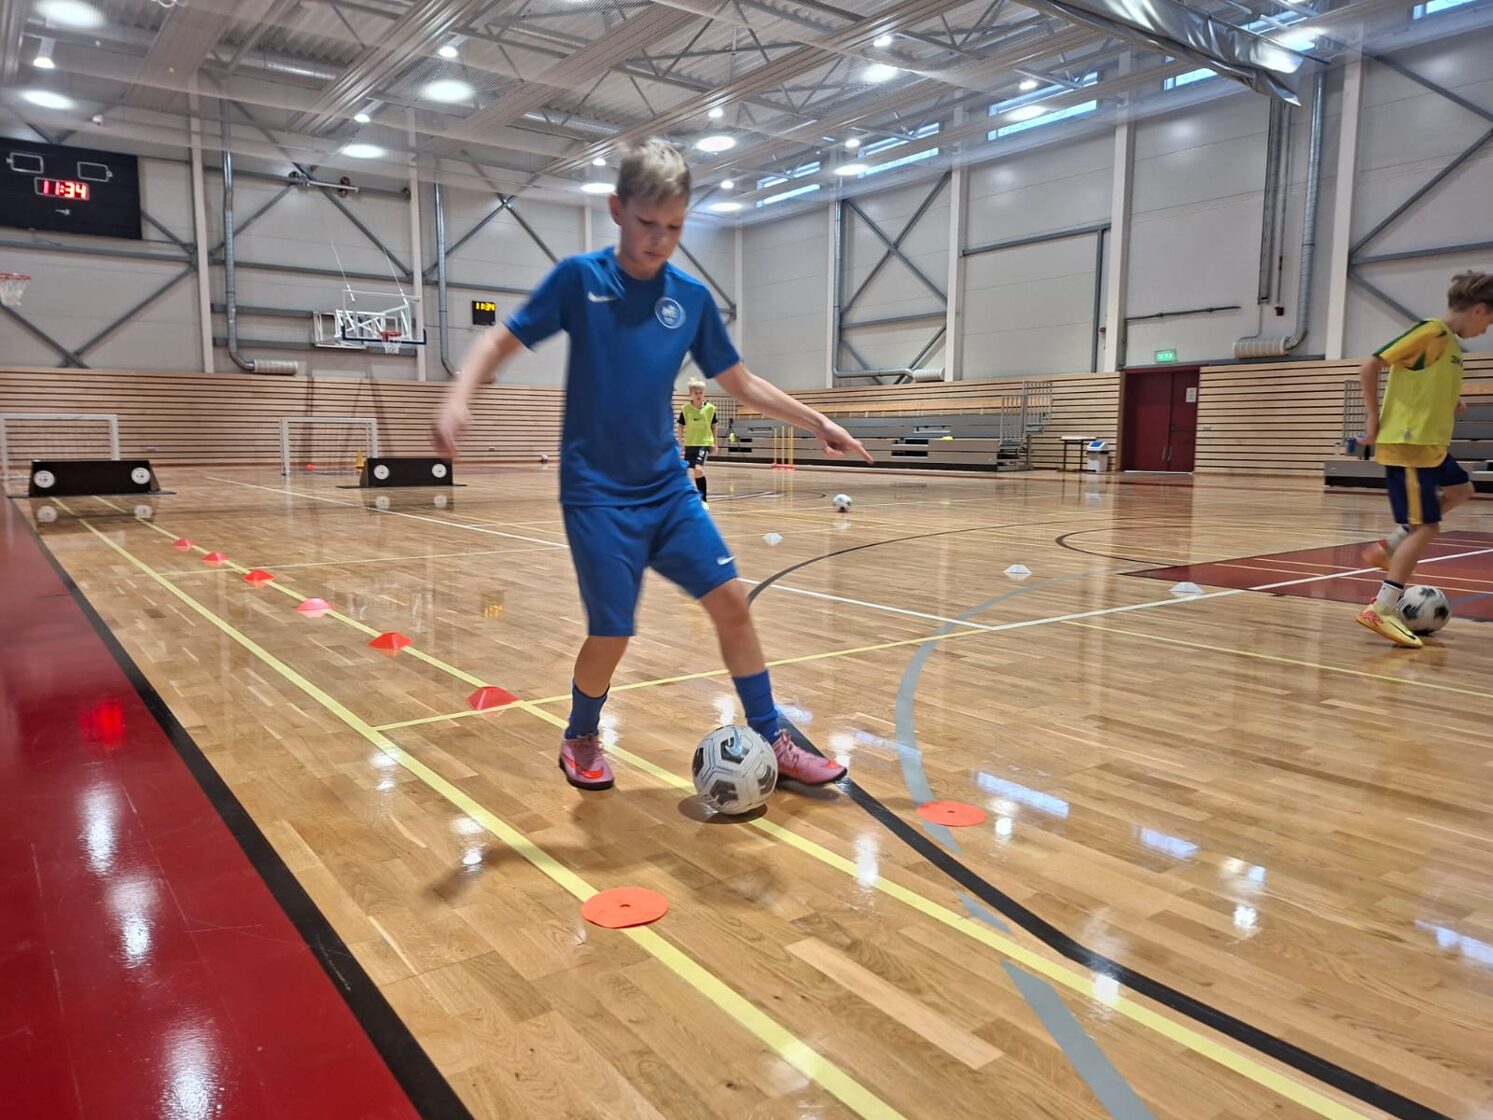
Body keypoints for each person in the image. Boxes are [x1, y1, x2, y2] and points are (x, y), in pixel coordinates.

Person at [432, 138, 872, 790]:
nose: (659, 240)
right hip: (596, 494)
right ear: (617, 210)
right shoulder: (580, 281)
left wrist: (819, 422)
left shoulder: (690, 298)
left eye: (674, 227)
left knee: (732, 602)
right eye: (646, 223)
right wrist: (458, 394)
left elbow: (742, 383)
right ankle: (581, 733)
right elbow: (500, 339)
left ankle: (772, 735)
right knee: (612, 632)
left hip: (666, 488)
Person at [1355, 269, 1493, 648]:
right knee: (1426, 528)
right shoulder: (1431, 332)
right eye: (1489, 321)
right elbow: (1371, 365)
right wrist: (1372, 417)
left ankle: (1393, 544)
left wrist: (1451, 399)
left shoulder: (1450, 345)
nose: (1487, 329)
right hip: (1409, 445)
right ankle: (1382, 608)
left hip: (1431, 447)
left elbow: (1424, 383)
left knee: (1462, 490)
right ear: (1479, 309)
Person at [677, 377, 716, 507]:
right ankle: (688, 497)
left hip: (704, 443)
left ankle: (704, 500)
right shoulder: (686, 409)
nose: (699, 395)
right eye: (696, 393)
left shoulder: (710, 409)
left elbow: (714, 426)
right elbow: (680, 426)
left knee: (698, 469)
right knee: (693, 471)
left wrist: (714, 444)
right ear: (691, 394)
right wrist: (680, 441)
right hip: (690, 443)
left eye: (701, 393)